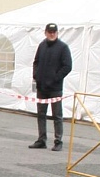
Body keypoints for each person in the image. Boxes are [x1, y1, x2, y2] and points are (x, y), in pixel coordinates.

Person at [29, 22, 73, 150]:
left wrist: (55, 78)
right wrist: (36, 75)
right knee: (41, 114)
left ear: (57, 33)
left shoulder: (63, 47)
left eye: (54, 32)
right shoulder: (42, 45)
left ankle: (58, 141)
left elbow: (67, 66)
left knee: (57, 115)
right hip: (42, 87)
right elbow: (36, 62)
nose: (52, 34)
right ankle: (41, 139)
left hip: (55, 88)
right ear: (46, 32)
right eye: (50, 32)